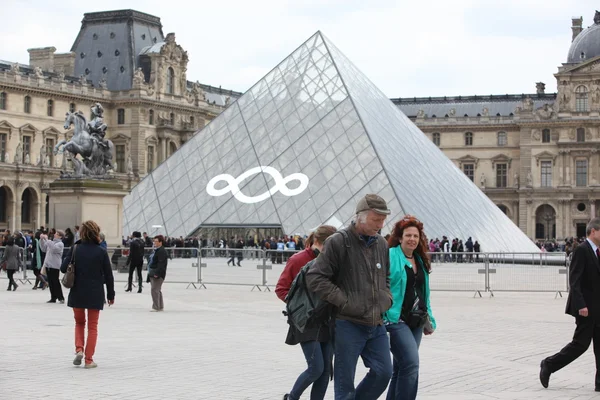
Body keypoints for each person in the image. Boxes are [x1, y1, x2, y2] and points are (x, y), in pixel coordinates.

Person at [306, 194, 393, 400]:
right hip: (348, 324)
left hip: (376, 322)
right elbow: (316, 277)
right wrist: (344, 301)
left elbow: (386, 276)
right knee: (345, 384)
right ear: (360, 217)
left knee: (383, 372)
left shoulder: (381, 244)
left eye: (383, 219)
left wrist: (385, 298)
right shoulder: (338, 242)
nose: (381, 225)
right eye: (376, 219)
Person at [276, 225, 338, 400]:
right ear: (318, 242)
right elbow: (281, 289)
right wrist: (300, 306)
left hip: (327, 320)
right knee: (316, 368)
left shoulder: (333, 261)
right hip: (306, 322)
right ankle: (291, 397)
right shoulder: (298, 260)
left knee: (326, 370)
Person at [540, 217, 600, 391]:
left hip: (598, 307)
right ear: (593, 231)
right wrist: (581, 305)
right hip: (586, 309)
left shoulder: (597, 251)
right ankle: (549, 364)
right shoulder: (582, 250)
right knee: (580, 345)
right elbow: (575, 280)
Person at [384, 215, 436, 400]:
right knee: (411, 365)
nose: (412, 239)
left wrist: (429, 318)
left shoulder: (419, 260)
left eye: (416, 236)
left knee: (401, 368)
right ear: (400, 237)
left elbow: (423, 292)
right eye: (408, 235)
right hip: (395, 319)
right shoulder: (390, 255)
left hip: (416, 320)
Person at [61, 220, 115, 369]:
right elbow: (109, 276)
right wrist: (111, 295)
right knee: (92, 327)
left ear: (82, 233)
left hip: (77, 292)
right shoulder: (101, 251)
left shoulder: (75, 248)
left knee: (79, 323)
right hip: (95, 293)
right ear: (96, 233)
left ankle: (79, 349)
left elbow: (63, 268)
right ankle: (89, 360)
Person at [40, 230, 65, 304]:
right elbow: (43, 248)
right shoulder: (51, 242)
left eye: (57, 234)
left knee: (55, 281)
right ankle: (53, 297)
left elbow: (54, 249)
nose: (55, 234)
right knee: (50, 282)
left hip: (55, 265)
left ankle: (61, 297)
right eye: (55, 233)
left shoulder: (60, 244)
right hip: (48, 264)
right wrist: (42, 240)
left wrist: (47, 239)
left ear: (60, 236)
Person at [148, 235, 168, 311]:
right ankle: (160, 306)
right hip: (155, 272)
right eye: (154, 241)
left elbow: (161, 264)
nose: (154, 242)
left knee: (154, 290)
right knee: (157, 290)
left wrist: (157, 273)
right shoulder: (158, 250)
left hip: (157, 273)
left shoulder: (161, 251)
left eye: (156, 241)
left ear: (161, 242)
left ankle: (156, 306)